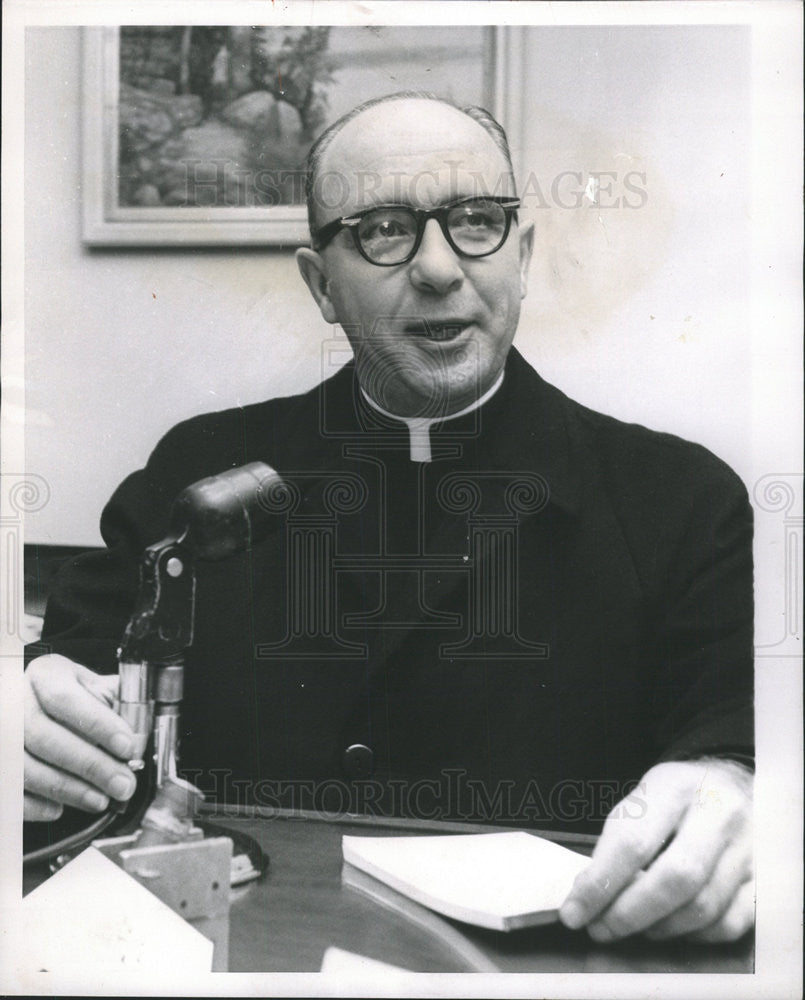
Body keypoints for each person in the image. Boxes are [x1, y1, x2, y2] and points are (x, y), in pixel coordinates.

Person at [24, 93, 754, 944]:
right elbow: (67, 680)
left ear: (519, 256)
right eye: (382, 229)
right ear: (320, 284)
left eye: (476, 221)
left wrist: (734, 790)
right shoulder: (199, 471)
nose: (440, 268)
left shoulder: (680, 499)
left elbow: (737, 737)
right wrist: (27, 710)